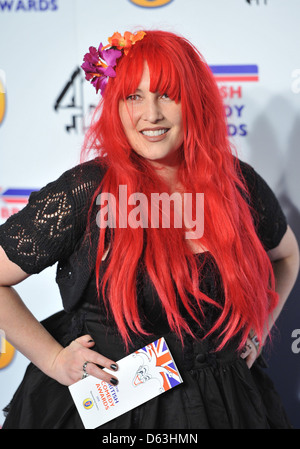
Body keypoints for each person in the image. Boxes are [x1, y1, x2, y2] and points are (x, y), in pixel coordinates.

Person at [0, 29, 299, 429]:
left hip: (225, 404)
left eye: (167, 94)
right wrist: (54, 359)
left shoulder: (237, 183)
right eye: (134, 97)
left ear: (193, 100)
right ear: (116, 105)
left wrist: (258, 327)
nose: (151, 114)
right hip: (117, 412)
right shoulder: (86, 193)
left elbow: (287, 255)